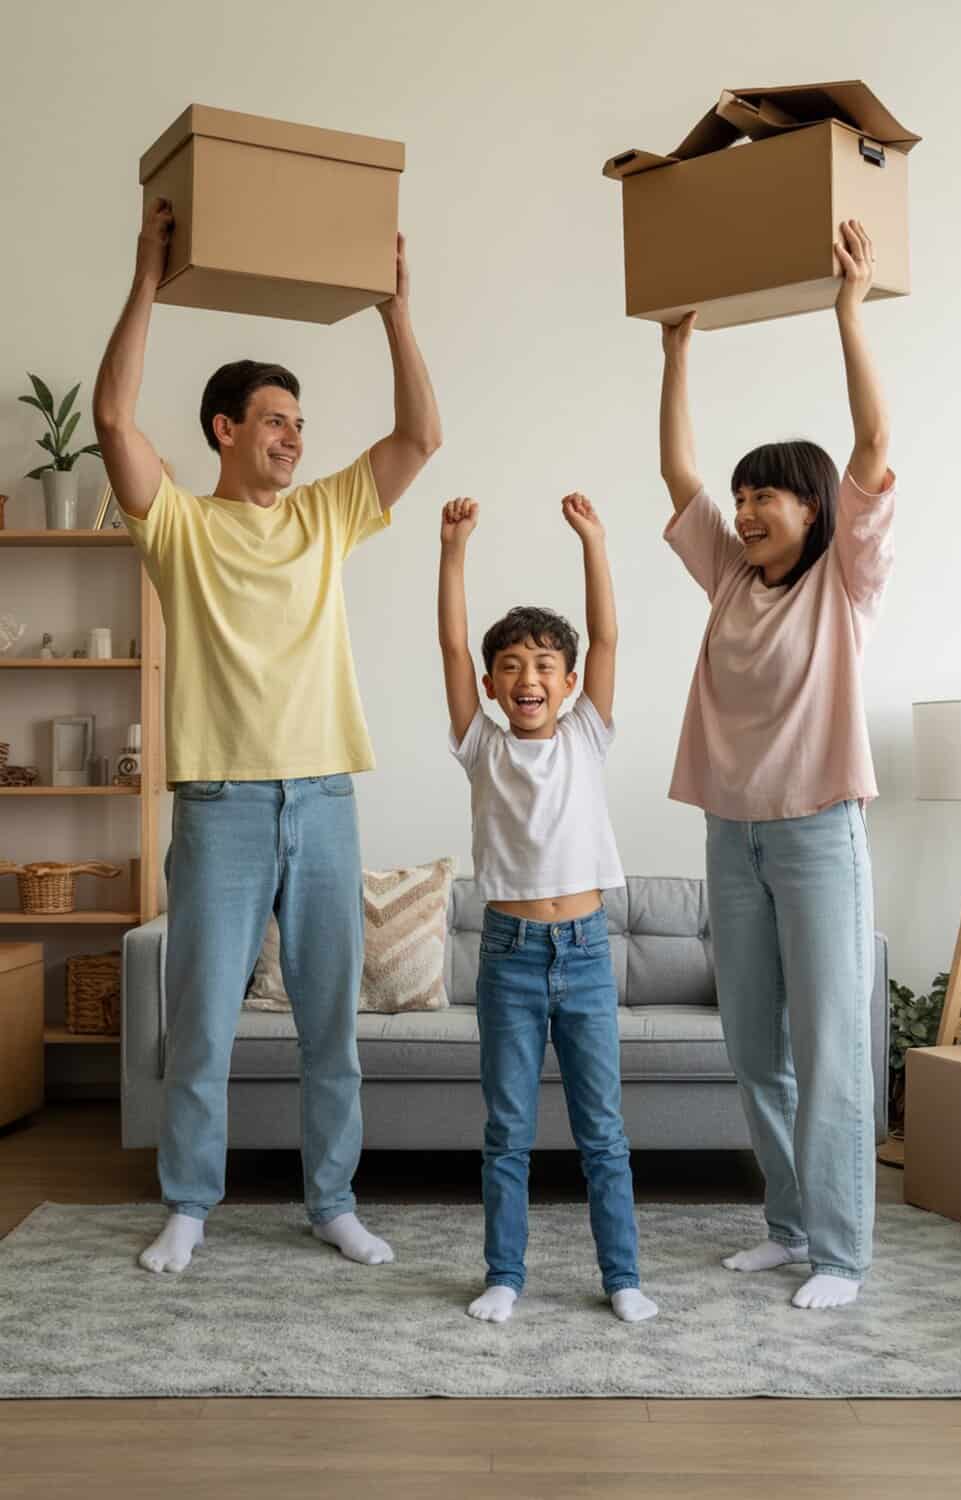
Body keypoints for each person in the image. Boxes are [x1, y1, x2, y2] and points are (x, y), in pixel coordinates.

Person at [93, 196, 442, 1274]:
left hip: (324, 799)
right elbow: (112, 421)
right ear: (225, 430)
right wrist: (145, 279)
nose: (295, 438)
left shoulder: (326, 515)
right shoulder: (179, 526)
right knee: (201, 1022)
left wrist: (396, 310)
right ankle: (190, 1205)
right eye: (277, 421)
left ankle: (332, 1201)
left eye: (299, 424)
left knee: (331, 1026)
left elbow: (421, 438)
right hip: (221, 806)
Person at [659, 220, 893, 1309]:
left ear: (815, 510)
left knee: (832, 1050)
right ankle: (789, 1226)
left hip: (818, 835)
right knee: (756, 1049)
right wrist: (675, 351)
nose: (747, 509)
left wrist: (848, 312)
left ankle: (840, 1255)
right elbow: (677, 471)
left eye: (769, 496)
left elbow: (872, 445)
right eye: (744, 495)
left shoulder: (843, 582)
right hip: (732, 835)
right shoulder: (728, 580)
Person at [438, 491, 657, 1324]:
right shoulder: (481, 747)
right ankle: (504, 1275)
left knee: (603, 1131)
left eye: (543, 666)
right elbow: (449, 643)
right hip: (510, 957)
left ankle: (622, 1277)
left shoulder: (586, 736)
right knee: (508, 1131)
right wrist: (454, 550)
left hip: (587, 954)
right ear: (491, 686)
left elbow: (608, 637)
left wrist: (593, 541)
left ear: (568, 684)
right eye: (510, 666)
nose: (527, 678)